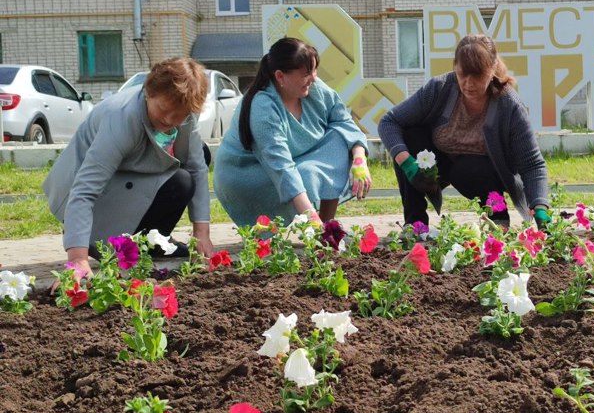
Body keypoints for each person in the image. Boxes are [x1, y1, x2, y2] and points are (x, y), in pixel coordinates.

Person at [43, 58, 214, 279]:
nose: (170, 120)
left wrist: (202, 233)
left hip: (126, 173)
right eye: (163, 109)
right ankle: (105, 242)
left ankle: (150, 243)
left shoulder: (184, 111)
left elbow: (197, 166)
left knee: (191, 167)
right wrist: (78, 259)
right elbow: (84, 190)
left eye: (179, 116)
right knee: (179, 178)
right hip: (83, 194)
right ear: (148, 92)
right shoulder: (121, 119)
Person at [378, 33, 550, 228]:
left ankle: (498, 220)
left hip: (481, 174)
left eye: (477, 75)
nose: (468, 83)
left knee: (467, 169)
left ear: (492, 69)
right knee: (409, 138)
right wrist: (407, 163)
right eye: (462, 74)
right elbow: (389, 122)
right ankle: (415, 224)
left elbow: (532, 164)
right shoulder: (439, 88)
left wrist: (540, 208)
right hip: (437, 166)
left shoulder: (509, 106)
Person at [213, 37, 371, 227]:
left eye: (314, 70)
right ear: (280, 77)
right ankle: (317, 227)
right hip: (249, 174)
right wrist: (311, 219)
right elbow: (281, 167)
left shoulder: (313, 87)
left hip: (295, 162)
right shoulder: (263, 106)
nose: (313, 77)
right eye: (306, 73)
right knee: (305, 175)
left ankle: (328, 225)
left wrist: (359, 159)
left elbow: (343, 121)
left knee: (340, 139)